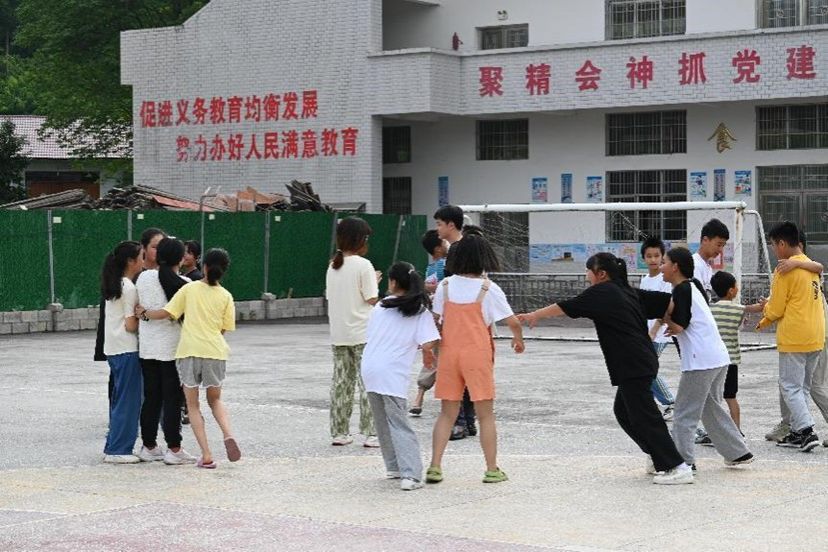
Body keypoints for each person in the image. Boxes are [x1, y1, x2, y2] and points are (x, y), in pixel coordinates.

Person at [519, 252, 693, 485]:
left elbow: (566, 306)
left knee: (646, 417)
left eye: (588, 271)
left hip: (633, 362)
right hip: (639, 360)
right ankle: (658, 455)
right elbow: (668, 303)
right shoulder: (629, 291)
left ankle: (676, 466)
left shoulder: (602, 292)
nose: (586, 275)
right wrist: (675, 322)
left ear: (601, 274)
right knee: (624, 412)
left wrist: (534, 315)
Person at [427, 234, 525, 485]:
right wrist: (518, 339)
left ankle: (435, 466)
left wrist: (429, 349)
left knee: (447, 413)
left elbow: (435, 320)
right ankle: (492, 469)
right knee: (485, 415)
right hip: (477, 355)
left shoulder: (445, 285)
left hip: (449, 353)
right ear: (484, 258)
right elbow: (513, 321)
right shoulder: (488, 288)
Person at [137, 248, 241, 468]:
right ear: (224, 270)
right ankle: (228, 433)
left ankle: (206, 455)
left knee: (192, 405)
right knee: (215, 400)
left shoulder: (190, 288)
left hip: (189, 351)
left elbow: (166, 313)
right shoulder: (226, 296)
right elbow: (224, 329)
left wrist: (144, 313)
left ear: (204, 266)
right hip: (215, 351)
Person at [660, 247, 755, 470]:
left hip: (701, 361)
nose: (661, 267)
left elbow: (680, 325)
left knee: (684, 412)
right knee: (709, 407)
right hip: (718, 357)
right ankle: (738, 452)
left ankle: (683, 463)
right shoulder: (694, 285)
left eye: (664, 262)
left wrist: (664, 317)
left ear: (675, 267)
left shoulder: (682, 289)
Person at [361, 262, 441, 491]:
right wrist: (427, 351)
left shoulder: (381, 306)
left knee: (382, 421)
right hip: (392, 372)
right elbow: (429, 342)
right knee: (398, 423)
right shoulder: (419, 311)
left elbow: (372, 335)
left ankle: (393, 466)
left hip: (369, 367)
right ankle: (411, 475)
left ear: (394, 282)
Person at [757, 222, 825, 452]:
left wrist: (764, 316)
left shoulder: (784, 269)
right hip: (816, 335)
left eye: (773, 245)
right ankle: (797, 432)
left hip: (795, 336)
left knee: (790, 387)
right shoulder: (810, 266)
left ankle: (806, 431)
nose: (773, 250)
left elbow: (776, 309)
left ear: (782, 244)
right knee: (802, 387)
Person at [135, 237, 197, 465]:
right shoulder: (186, 284)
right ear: (180, 259)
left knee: (151, 399)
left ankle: (148, 446)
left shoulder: (143, 278)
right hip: (172, 350)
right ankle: (174, 448)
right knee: (172, 400)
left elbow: (139, 310)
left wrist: (144, 315)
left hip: (148, 349)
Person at [325, 217, 379, 447]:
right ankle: (372, 432)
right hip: (363, 332)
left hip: (339, 333)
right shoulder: (364, 265)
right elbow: (371, 298)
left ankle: (339, 432)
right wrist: (375, 280)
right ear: (360, 239)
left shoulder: (333, 266)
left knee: (341, 383)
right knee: (368, 383)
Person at [434, 205, 478, 441]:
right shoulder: (459, 247)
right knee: (466, 370)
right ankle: (468, 421)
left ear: (451, 224)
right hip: (464, 318)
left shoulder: (461, 249)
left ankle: (460, 422)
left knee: (456, 373)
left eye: (439, 224)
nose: (437, 229)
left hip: (462, 319)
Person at [100, 241, 145, 464]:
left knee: (120, 400)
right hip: (127, 348)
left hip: (114, 348)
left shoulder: (115, 283)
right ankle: (119, 449)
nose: (143, 261)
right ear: (131, 261)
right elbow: (130, 325)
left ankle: (114, 445)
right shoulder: (128, 287)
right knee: (129, 401)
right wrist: (142, 315)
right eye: (141, 256)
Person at [708, 271, 766, 429]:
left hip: (713, 360)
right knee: (730, 396)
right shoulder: (739, 309)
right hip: (731, 360)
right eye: (736, 286)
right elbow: (756, 309)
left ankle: (714, 430)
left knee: (713, 397)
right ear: (731, 291)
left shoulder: (710, 310)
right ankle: (736, 430)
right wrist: (766, 303)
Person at [692, 219, 729, 446]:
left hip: (707, 337)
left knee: (710, 390)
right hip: (696, 338)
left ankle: (716, 431)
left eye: (723, 245)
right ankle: (717, 432)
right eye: (718, 244)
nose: (720, 250)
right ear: (705, 240)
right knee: (701, 389)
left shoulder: (706, 267)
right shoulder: (693, 265)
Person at [410, 230, 448, 417]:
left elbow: (430, 286)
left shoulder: (430, 267)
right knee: (441, 356)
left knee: (433, 356)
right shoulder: (443, 265)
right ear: (438, 248)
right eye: (444, 242)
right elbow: (442, 285)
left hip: (435, 317)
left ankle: (419, 397)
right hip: (444, 317)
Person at [639, 237, 677, 421]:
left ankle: (671, 403)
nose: (653, 259)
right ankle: (649, 404)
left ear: (662, 257)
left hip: (660, 334)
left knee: (647, 367)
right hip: (646, 333)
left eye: (656, 255)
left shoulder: (665, 279)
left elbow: (666, 308)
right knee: (642, 368)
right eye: (649, 256)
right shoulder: (644, 280)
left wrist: (654, 330)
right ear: (643, 258)